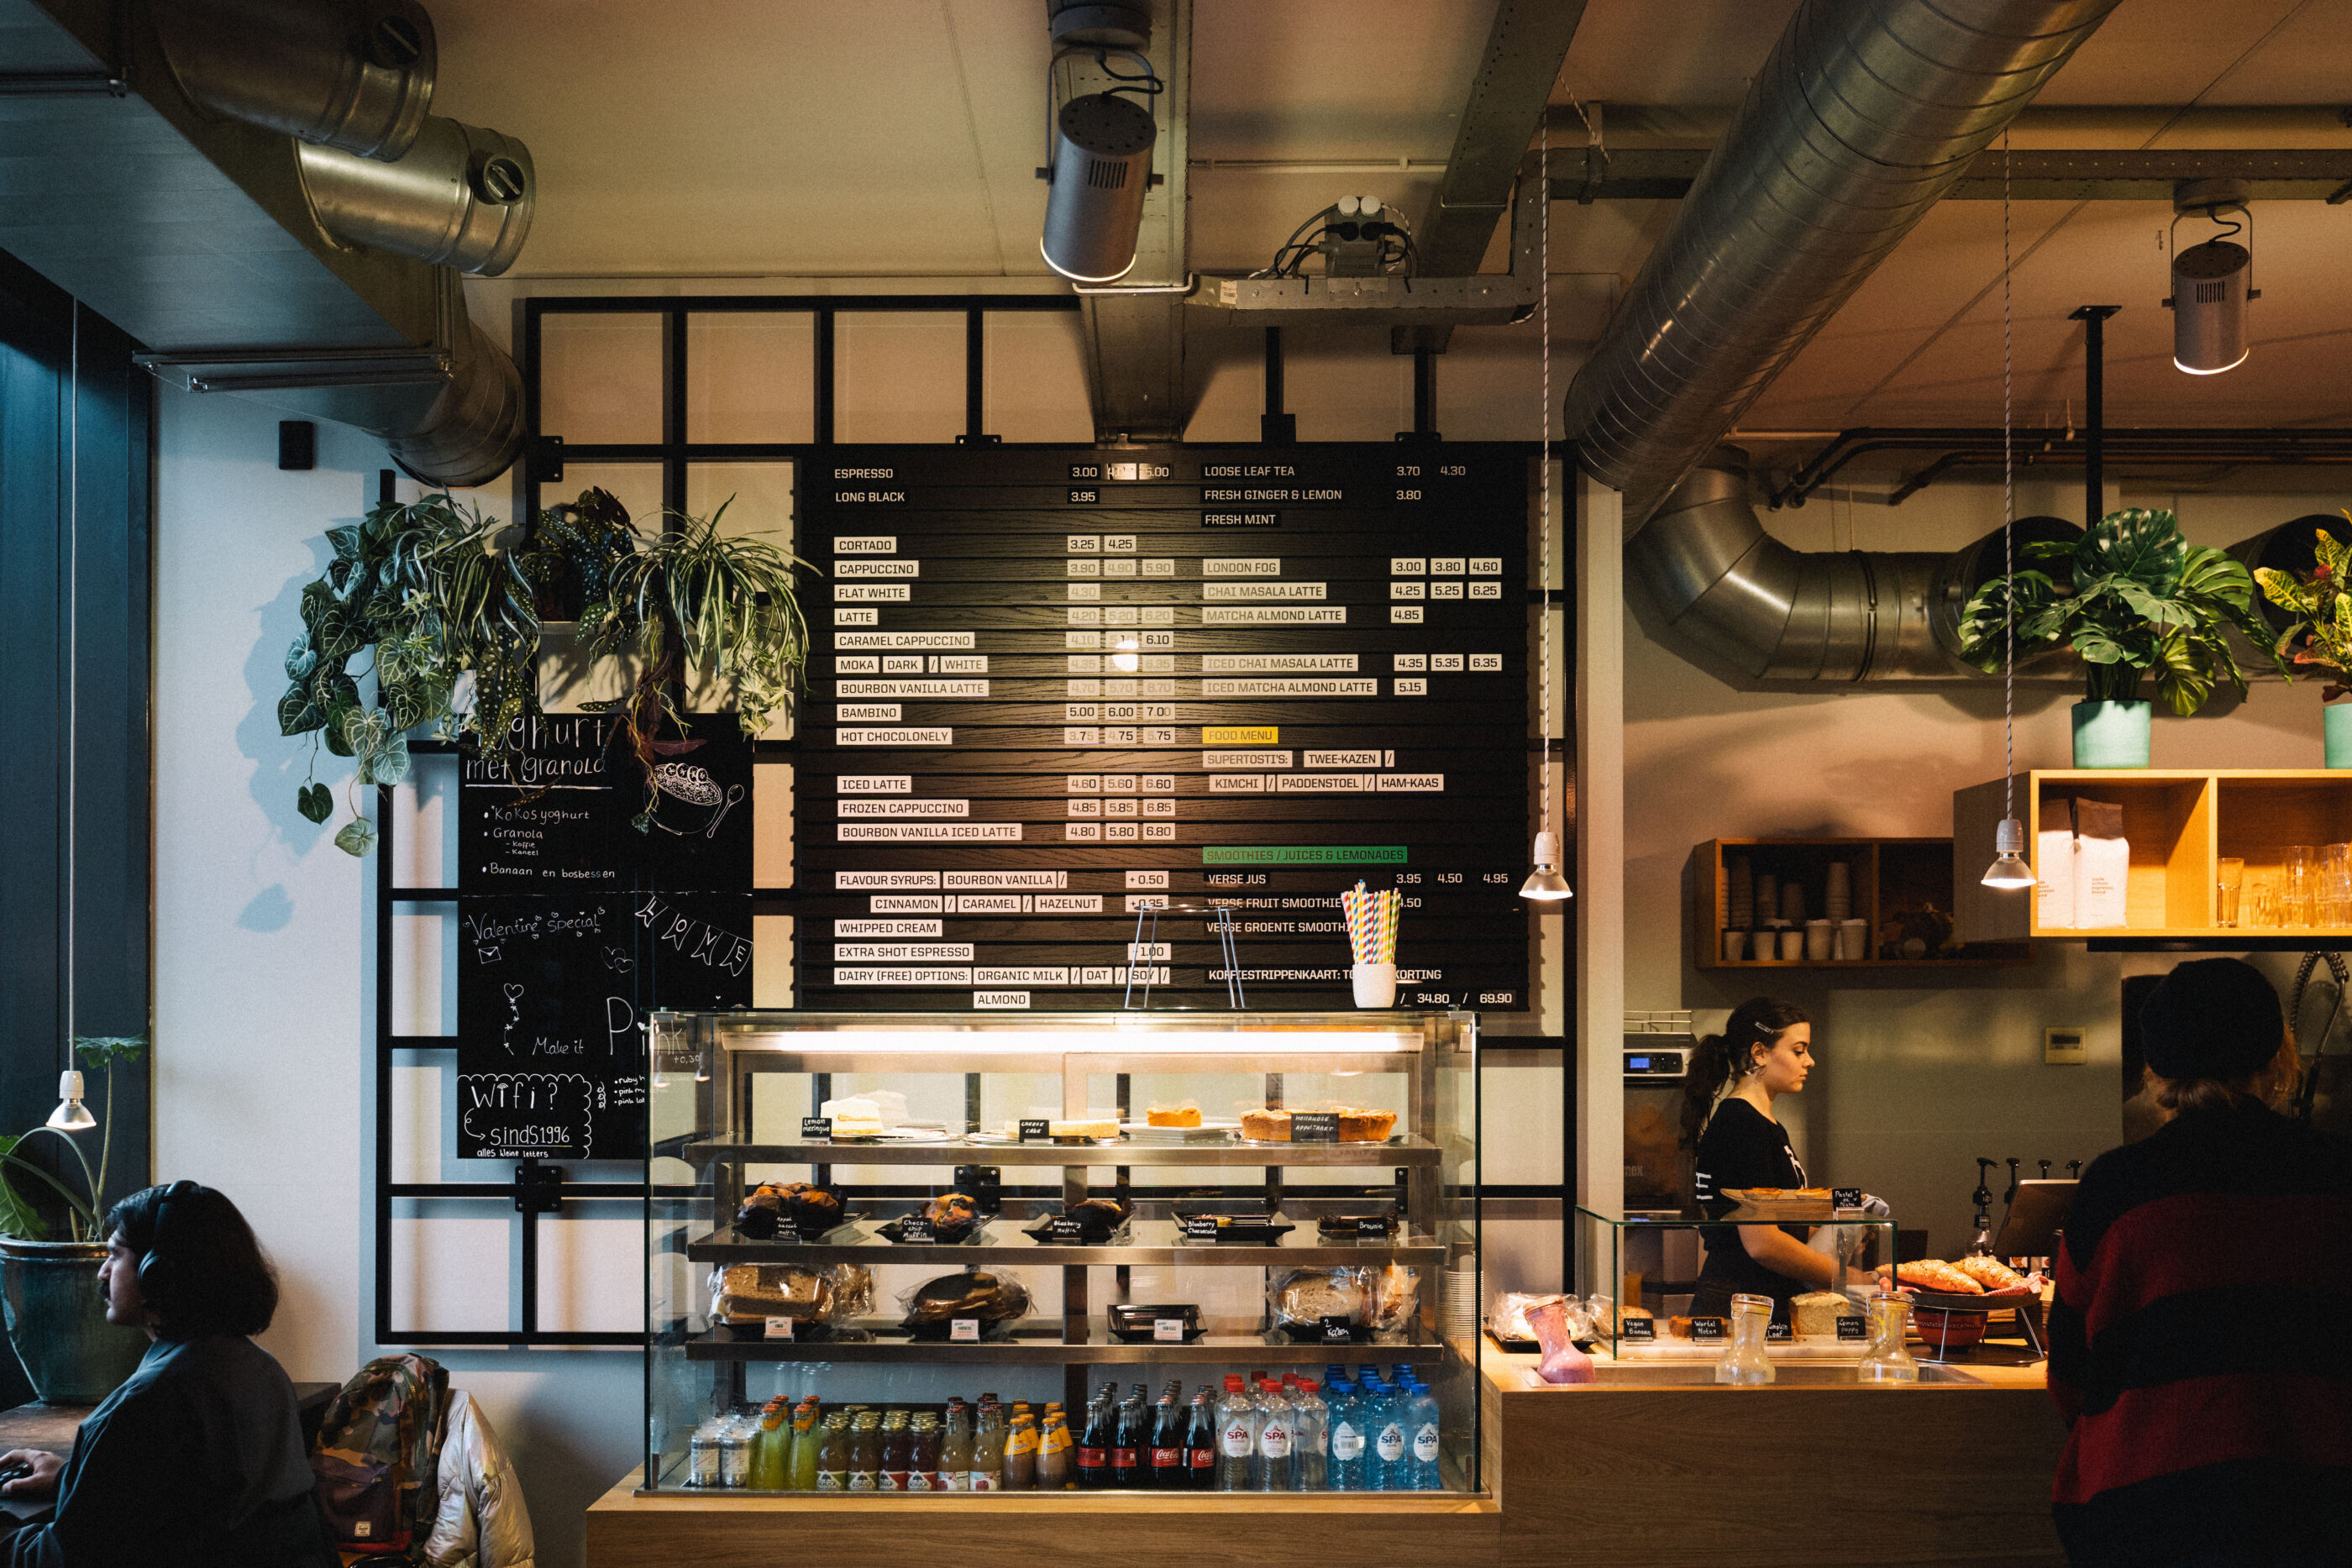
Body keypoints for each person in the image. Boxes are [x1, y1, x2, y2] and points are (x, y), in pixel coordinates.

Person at [2048, 957, 2352, 1567]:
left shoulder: (2116, 1186)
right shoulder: (2337, 1175)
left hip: (2145, 1513)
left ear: (2156, 1066)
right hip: (2316, 1510)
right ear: (2277, 1057)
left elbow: (2071, 1377)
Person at [0, 1182, 336, 1568]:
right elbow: (178, 1498)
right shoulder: (261, 1369)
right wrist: (68, 1479)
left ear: (157, 1274)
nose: (102, 1272)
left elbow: (63, 1559)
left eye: (115, 1255)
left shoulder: (145, 1404)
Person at [1678, 998, 1877, 1324]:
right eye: (1799, 1051)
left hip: (1760, 1298)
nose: (1810, 1061)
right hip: (1744, 1302)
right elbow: (1763, 1244)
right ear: (1759, 1053)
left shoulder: (1763, 1123)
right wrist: (1846, 1275)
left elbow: (1778, 1225)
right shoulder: (1742, 1124)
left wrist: (1837, 1232)